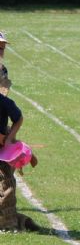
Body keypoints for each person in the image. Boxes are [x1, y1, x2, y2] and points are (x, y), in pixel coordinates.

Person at [0, 73, 38, 231]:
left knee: (6, 184)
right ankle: (20, 221)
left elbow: (19, 118)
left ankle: (8, 223)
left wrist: (10, 138)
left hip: (1, 150)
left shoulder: (4, 102)